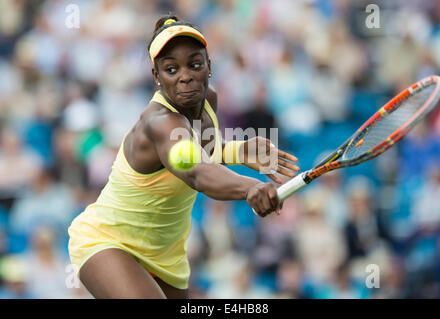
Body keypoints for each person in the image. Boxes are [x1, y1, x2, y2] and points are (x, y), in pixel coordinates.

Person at [67, 15, 299, 299]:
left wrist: (238, 151)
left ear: (209, 67)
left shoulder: (208, 102)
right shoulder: (160, 122)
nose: (185, 75)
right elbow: (196, 172)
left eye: (195, 64)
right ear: (156, 76)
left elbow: (202, 151)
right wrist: (249, 187)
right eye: (171, 69)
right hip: (107, 241)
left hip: (167, 256)